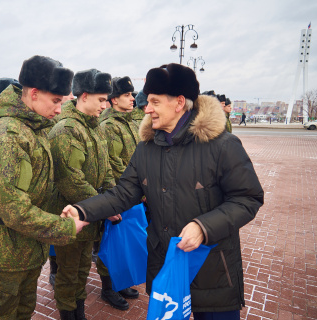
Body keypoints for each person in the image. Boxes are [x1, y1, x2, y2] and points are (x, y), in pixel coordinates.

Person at [63, 63, 264, 320]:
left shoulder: (222, 145)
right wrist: (83, 211)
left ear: (179, 102)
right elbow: (123, 193)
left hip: (212, 267)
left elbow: (248, 198)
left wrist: (203, 227)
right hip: (166, 266)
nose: (146, 109)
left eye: (155, 102)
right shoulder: (147, 148)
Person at [0, 55, 88, 320]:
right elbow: (13, 209)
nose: (59, 109)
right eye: (56, 101)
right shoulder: (7, 137)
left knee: (23, 312)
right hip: (4, 253)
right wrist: (64, 227)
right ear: (33, 94)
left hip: (27, 247)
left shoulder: (33, 129)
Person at [48, 68, 115, 320]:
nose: (104, 105)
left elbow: (106, 168)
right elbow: (70, 180)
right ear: (84, 96)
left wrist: (110, 197)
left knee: (81, 270)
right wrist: (105, 206)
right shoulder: (66, 129)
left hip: (90, 214)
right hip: (71, 215)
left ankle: (80, 313)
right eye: (100, 99)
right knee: (67, 273)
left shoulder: (94, 128)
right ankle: (69, 315)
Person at [97, 76, 141, 309]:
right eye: (127, 95)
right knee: (112, 243)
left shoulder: (130, 123)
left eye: (132, 95)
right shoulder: (110, 126)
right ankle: (107, 288)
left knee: (125, 242)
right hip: (120, 194)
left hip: (133, 193)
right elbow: (113, 164)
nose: (132, 99)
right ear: (114, 100)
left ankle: (120, 282)